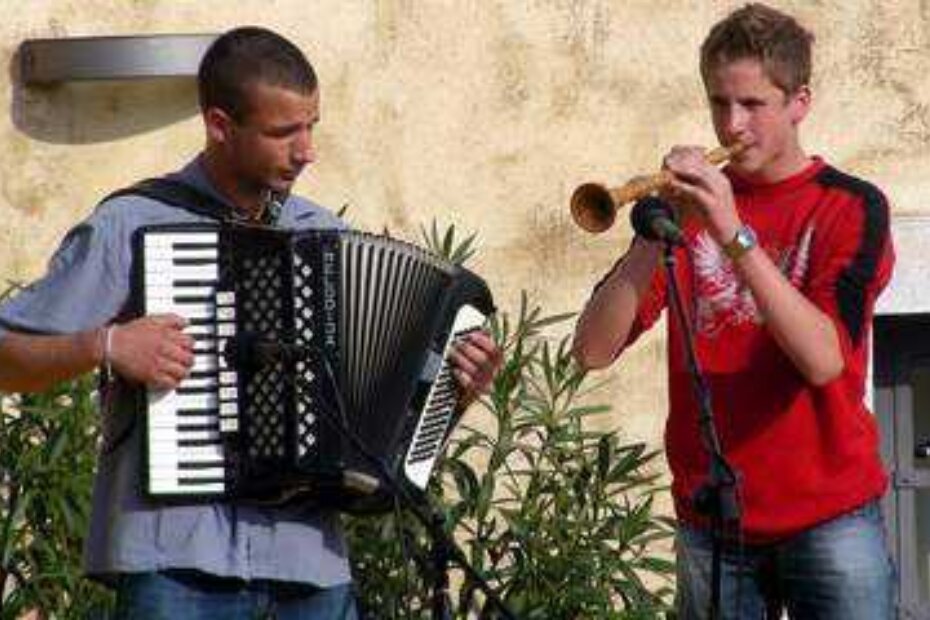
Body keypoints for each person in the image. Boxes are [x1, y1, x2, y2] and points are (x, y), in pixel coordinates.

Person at [0, 27, 501, 619]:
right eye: (284, 131)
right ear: (219, 124)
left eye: (312, 125)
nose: (306, 149)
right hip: (176, 562)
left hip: (309, 568)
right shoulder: (130, 225)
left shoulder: (327, 239)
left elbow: (381, 434)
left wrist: (452, 393)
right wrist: (104, 345)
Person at [572, 4, 895, 619]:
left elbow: (824, 360)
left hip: (830, 515)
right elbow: (589, 351)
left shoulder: (851, 206)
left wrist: (730, 231)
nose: (731, 125)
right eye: (719, 103)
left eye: (752, 105)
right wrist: (653, 237)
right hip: (712, 520)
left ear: (800, 101)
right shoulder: (689, 215)